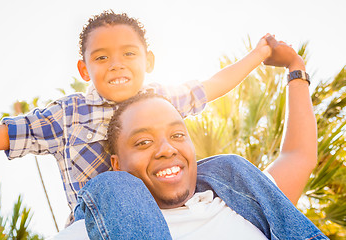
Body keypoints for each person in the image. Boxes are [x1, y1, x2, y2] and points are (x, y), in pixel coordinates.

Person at [0, 10, 272, 223]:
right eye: (102, 58)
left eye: (129, 53)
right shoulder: (67, 114)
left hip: (168, 211)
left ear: (148, 61)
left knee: (227, 165)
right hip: (103, 222)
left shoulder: (161, 99)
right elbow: (8, 135)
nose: (117, 64)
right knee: (117, 185)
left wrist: (259, 54)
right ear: (84, 69)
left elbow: (212, 86)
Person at [51, 36, 327, 239]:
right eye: (143, 142)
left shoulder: (237, 198)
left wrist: (295, 67)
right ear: (117, 164)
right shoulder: (91, 230)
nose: (166, 149)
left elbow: (298, 157)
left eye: (177, 134)